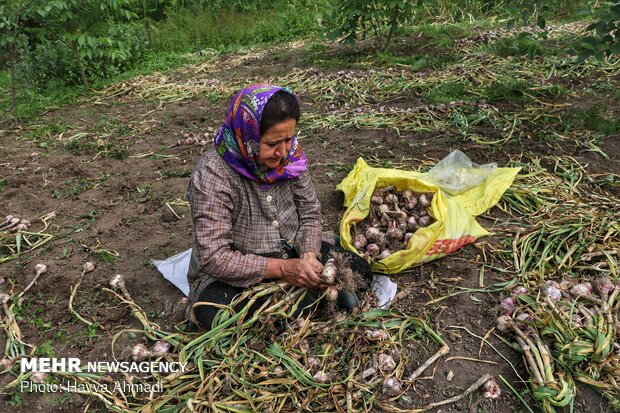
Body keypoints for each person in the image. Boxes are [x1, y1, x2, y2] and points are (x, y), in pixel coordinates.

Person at [186, 84, 372, 330]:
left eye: (288, 138)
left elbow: (309, 212)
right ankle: (312, 301)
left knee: (361, 273)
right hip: (240, 272)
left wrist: (307, 255)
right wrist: (283, 269)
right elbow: (214, 257)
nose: (283, 152)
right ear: (248, 135)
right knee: (217, 314)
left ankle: (300, 302)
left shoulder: (291, 156)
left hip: (292, 251)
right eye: (272, 142)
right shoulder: (213, 174)